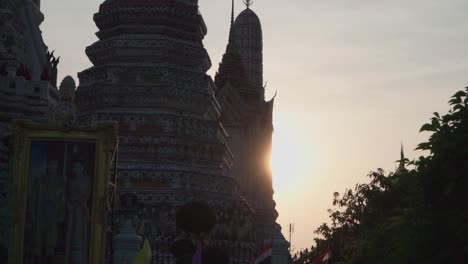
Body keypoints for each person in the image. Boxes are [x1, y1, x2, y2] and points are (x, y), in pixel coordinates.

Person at [29, 159, 66, 264]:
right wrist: (32, 213)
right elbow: (32, 198)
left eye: (54, 165)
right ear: (47, 166)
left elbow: (63, 200)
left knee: (51, 240)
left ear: (57, 166)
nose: (52, 167)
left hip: (53, 214)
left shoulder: (60, 182)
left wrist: (61, 214)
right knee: (38, 239)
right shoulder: (40, 181)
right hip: (41, 212)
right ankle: (37, 258)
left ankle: (49, 259)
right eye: (50, 165)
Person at [65, 161, 91, 264]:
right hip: (73, 210)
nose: (77, 169)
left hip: (82, 209)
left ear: (83, 168)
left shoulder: (87, 180)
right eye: (75, 167)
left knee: (81, 233)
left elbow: (87, 194)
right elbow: (68, 195)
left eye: (79, 166)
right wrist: (70, 203)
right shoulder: (71, 181)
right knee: (72, 233)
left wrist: (79, 200)